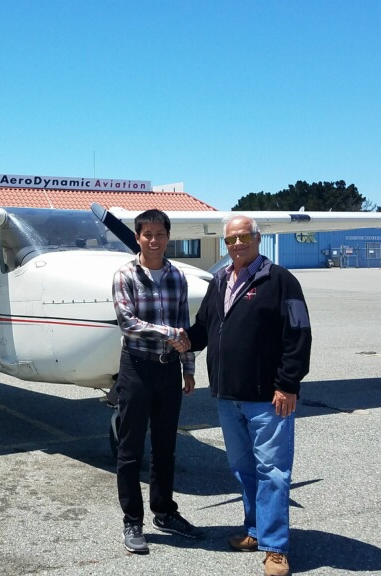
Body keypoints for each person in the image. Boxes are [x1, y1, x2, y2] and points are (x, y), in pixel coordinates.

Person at [183, 214, 311, 576]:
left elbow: (298, 334)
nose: (237, 244)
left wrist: (288, 384)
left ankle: (275, 548)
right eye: (230, 240)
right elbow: (205, 328)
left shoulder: (281, 280)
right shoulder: (220, 280)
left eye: (243, 237)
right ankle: (255, 531)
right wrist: (184, 340)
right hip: (227, 397)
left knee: (273, 472)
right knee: (243, 470)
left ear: (257, 238)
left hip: (267, 398)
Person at [111, 208, 203, 554]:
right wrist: (171, 335)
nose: (154, 240)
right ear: (137, 237)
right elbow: (128, 323)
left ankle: (164, 512)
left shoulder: (177, 277)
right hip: (136, 367)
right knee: (130, 448)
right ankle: (132, 520)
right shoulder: (125, 275)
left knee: (166, 446)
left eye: (160, 234)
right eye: (147, 234)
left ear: (168, 237)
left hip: (168, 371)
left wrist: (189, 367)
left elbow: (184, 324)